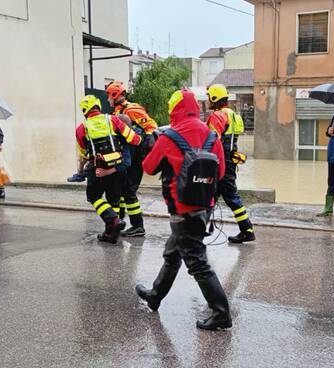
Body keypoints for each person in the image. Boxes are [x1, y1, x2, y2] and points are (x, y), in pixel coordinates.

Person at [136, 89, 232, 331]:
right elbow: (219, 173)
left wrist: (155, 144)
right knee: (173, 252)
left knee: (197, 262)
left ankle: (221, 313)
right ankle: (156, 295)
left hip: (181, 209)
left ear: (174, 109)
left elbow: (148, 167)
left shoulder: (169, 137)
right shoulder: (212, 135)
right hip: (205, 206)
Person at [75, 95, 142, 244]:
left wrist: (80, 171)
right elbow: (135, 139)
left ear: (85, 110)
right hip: (116, 167)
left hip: (97, 169)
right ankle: (111, 234)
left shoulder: (81, 128)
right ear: (98, 105)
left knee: (94, 197)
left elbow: (83, 153)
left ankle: (112, 221)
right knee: (114, 200)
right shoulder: (112, 120)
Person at [105, 81, 158, 238]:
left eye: (109, 95)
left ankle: (138, 226)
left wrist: (143, 148)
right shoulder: (117, 112)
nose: (108, 99)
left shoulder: (132, 109)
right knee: (121, 189)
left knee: (129, 190)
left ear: (115, 95)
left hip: (136, 155)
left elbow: (151, 126)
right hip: (127, 154)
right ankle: (119, 221)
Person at [205, 84, 255, 243]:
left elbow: (212, 140)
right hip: (230, 160)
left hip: (219, 162)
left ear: (214, 98)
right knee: (212, 196)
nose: (207, 101)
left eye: (209, 97)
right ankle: (198, 230)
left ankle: (247, 230)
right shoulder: (234, 115)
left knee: (228, 196)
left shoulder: (217, 116)